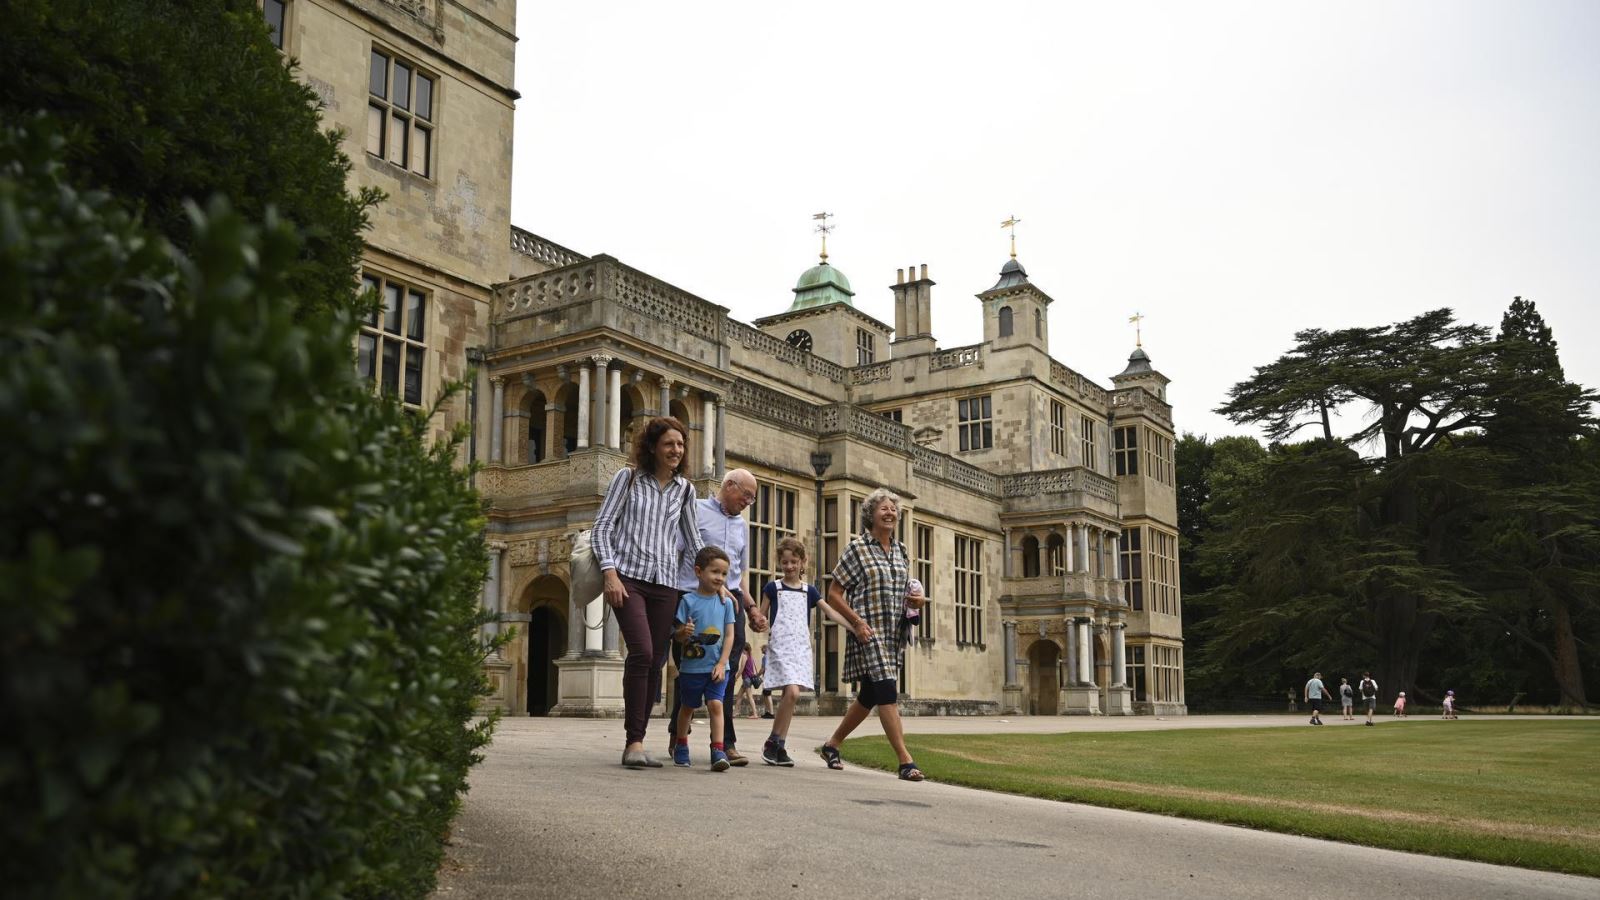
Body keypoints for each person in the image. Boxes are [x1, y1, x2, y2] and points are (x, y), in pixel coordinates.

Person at [592, 416, 704, 769]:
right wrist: (610, 574)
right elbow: (601, 528)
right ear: (653, 446)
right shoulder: (626, 480)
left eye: (681, 445)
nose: (676, 450)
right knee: (640, 651)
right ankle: (633, 741)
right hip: (629, 579)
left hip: (666, 584)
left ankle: (639, 739)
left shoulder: (685, 490)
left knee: (656, 659)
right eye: (669, 444)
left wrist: (720, 584)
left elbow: (693, 541)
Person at [816, 489, 928, 781]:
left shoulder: (902, 551)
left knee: (868, 696)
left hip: (894, 632)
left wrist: (914, 602)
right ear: (871, 515)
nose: (890, 513)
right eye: (884, 509)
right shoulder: (857, 549)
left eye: (893, 509)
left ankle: (832, 745)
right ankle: (906, 761)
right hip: (868, 631)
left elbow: (903, 591)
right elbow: (834, 594)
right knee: (887, 693)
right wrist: (857, 622)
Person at [666, 469, 768, 766]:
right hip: (692, 600)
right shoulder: (695, 510)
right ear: (729, 486)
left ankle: (725, 744)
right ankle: (677, 736)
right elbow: (676, 554)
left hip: (729, 602)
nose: (749, 502)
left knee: (725, 672)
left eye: (753, 498)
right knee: (687, 669)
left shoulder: (742, 526)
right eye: (746, 495)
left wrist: (751, 608)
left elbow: (737, 575)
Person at [758, 537, 849, 766]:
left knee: (793, 696)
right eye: (785, 562)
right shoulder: (772, 588)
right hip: (780, 646)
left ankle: (779, 745)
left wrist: (854, 626)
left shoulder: (810, 591)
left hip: (800, 648)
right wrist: (756, 622)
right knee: (792, 693)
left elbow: (830, 612)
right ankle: (773, 742)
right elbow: (759, 617)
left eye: (793, 562)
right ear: (780, 563)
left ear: (802, 562)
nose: (789, 566)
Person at [669, 547, 738, 770]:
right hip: (692, 667)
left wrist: (721, 663)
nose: (720, 578)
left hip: (718, 667)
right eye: (714, 572)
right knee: (687, 707)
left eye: (724, 574)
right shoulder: (688, 601)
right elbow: (677, 636)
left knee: (716, 705)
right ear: (698, 572)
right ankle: (681, 745)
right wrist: (683, 632)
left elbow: (729, 636)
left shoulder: (726, 603)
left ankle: (717, 750)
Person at [734, 642, 761, 719]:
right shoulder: (750, 656)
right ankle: (736, 712)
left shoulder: (744, 656)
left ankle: (755, 714)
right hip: (748, 679)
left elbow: (741, 669)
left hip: (746, 679)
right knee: (739, 696)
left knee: (749, 696)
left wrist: (736, 678)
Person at [759, 645, 776, 719]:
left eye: (762, 648)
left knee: (768, 695)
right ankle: (768, 712)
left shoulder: (765, 657)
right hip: (770, 677)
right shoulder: (771, 657)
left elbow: (763, 668)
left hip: (767, 678)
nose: (761, 650)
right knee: (765, 694)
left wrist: (757, 674)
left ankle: (771, 712)